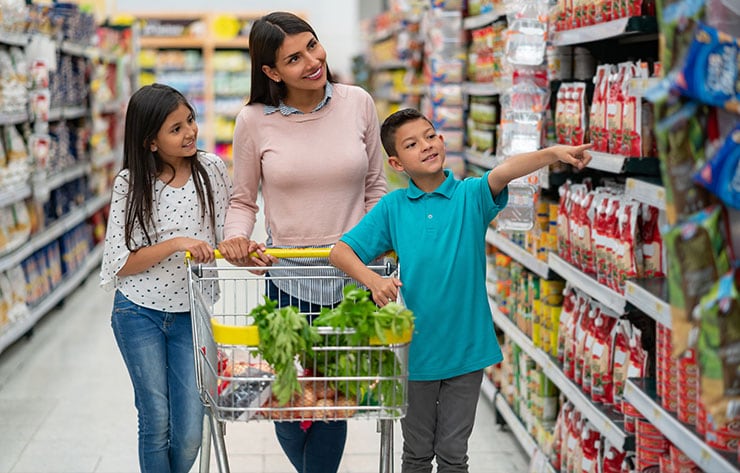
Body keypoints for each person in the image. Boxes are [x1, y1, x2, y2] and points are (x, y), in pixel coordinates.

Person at [329, 108, 592, 473]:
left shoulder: (471, 196)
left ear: (442, 139)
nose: (426, 145)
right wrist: (373, 280)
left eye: (430, 135)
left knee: (454, 454)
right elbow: (340, 252)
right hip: (415, 352)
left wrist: (552, 154)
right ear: (396, 163)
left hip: (466, 350)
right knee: (417, 453)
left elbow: (505, 170)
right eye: (411, 144)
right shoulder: (392, 208)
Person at [216, 11, 387, 473]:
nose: (313, 61)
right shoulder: (253, 121)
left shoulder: (358, 103)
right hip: (289, 279)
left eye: (312, 46)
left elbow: (376, 188)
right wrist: (236, 239)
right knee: (289, 404)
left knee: (333, 402)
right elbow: (242, 200)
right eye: (294, 58)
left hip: (352, 280)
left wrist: (377, 250)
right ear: (271, 72)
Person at [99, 83, 233, 473]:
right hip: (138, 313)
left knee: (191, 429)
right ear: (150, 142)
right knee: (156, 419)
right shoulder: (131, 183)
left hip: (193, 313)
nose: (190, 131)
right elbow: (120, 262)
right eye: (175, 129)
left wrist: (253, 254)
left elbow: (226, 234)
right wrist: (176, 243)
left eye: (189, 120)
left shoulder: (212, 169)